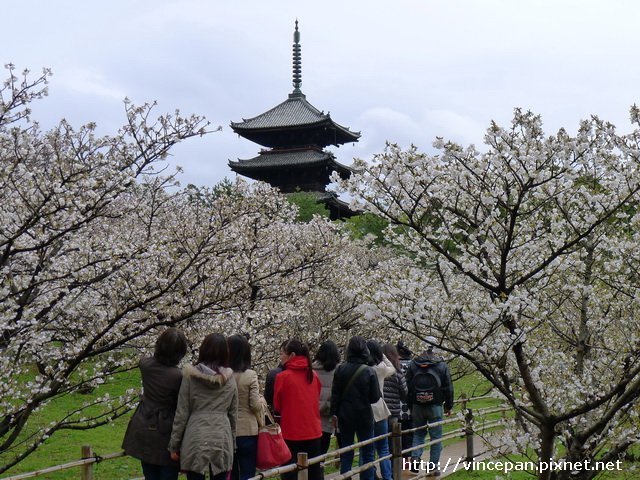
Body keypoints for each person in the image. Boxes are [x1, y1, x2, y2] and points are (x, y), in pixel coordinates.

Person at [169, 333, 238, 480]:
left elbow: (182, 412)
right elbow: (233, 414)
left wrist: (174, 444)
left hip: (196, 435)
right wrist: (232, 443)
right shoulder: (230, 379)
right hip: (222, 436)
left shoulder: (190, 377)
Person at [122, 328, 188, 480]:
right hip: (166, 430)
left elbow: (146, 359)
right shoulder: (178, 376)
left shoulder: (146, 365)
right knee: (168, 473)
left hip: (144, 423)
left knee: (149, 473)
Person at [330, 336, 380, 480]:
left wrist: (334, 414)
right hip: (364, 415)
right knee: (368, 451)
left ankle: (346, 477)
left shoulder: (340, 370)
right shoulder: (369, 371)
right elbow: (375, 398)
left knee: (347, 451)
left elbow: (335, 395)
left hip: (345, 415)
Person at [273, 338, 323, 480]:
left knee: (290, 473)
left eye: (282, 353)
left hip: (291, 433)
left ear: (292, 355)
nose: (280, 356)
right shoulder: (313, 375)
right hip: (313, 431)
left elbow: (278, 406)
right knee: (313, 473)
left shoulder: (282, 377)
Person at [405, 336, 453, 477]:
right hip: (435, 405)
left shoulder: (413, 364)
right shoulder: (441, 365)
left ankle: (415, 459)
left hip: (417, 406)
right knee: (435, 437)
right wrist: (448, 406)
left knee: (418, 433)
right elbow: (448, 387)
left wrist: (411, 405)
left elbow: (408, 387)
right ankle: (432, 468)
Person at [228, 334, 264, 480]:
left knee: (232, 473)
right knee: (248, 473)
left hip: (228, 430)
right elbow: (255, 405)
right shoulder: (250, 375)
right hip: (248, 431)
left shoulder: (223, 375)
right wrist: (262, 401)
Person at [364, 340, 396, 480]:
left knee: (366, 449)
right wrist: (382, 355)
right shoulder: (381, 368)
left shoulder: (363, 368)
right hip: (379, 409)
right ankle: (387, 477)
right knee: (383, 448)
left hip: (364, 410)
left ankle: (368, 477)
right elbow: (393, 367)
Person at [312, 340, 341, 455]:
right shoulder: (339, 370)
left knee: (312, 454)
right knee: (323, 450)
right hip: (328, 416)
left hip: (313, 415)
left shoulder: (311, 369)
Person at [382, 343, 408, 449]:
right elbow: (404, 392)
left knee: (381, 442)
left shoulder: (377, 370)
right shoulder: (398, 373)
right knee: (393, 441)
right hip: (393, 411)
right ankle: (393, 464)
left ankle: (384, 463)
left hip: (381, 411)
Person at [396, 340, 414, 459]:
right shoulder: (413, 365)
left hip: (395, 406)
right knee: (409, 433)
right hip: (410, 405)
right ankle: (408, 458)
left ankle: (399, 459)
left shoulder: (394, 365)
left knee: (397, 434)